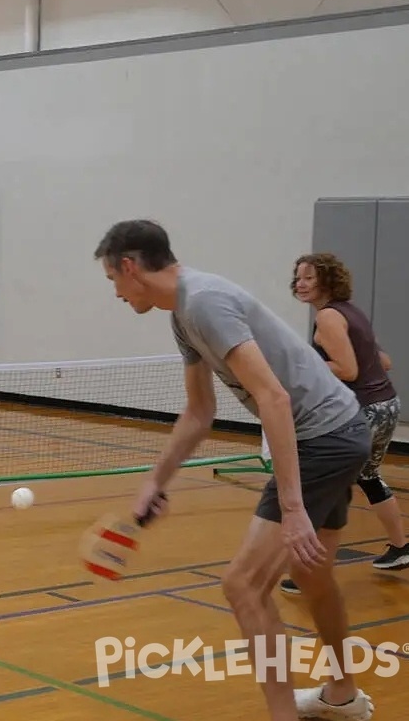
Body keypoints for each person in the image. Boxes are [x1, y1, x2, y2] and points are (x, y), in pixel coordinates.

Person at [94, 220, 375, 721]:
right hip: (344, 429)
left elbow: (274, 397)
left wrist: (292, 508)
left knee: (243, 585)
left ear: (130, 267)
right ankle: (342, 696)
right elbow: (199, 412)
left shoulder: (204, 302)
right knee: (311, 575)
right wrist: (156, 482)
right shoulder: (182, 315)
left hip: (323, 439)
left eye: (112, 279)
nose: (114, 292)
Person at [277, 253, 409, 594]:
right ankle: (401, 549)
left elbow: (348, 370)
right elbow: (384, 361)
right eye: (298, 277)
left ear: (327, 280)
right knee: (368, 476)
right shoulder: (351, 313)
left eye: (308, 277)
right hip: (387, 404)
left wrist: (305, 362)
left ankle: (308, 572)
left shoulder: (328, 317)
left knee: (327, 484)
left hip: (363, 409)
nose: (300, 282)